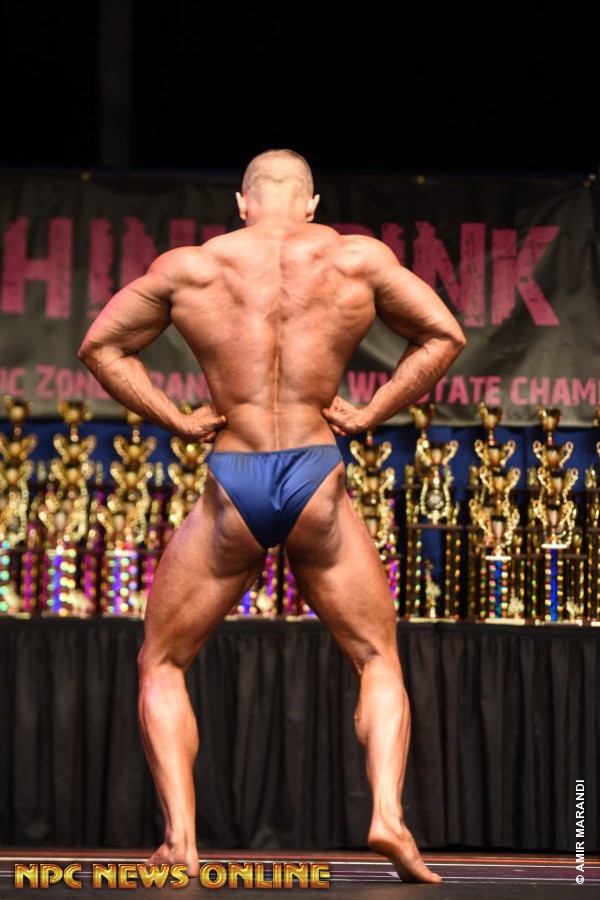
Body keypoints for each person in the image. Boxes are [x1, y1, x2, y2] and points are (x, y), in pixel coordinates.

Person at [78, 149, 466, 884]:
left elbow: (100, 346)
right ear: (312, 204)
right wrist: (372, 412)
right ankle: (389, 815)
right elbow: (445, 334)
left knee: (161, 662)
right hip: (317, 475)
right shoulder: (356, 259)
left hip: (235, 480)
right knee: (377, 658)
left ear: (242, 202)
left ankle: (182, 840)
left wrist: (175, 419)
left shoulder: (192, 267)